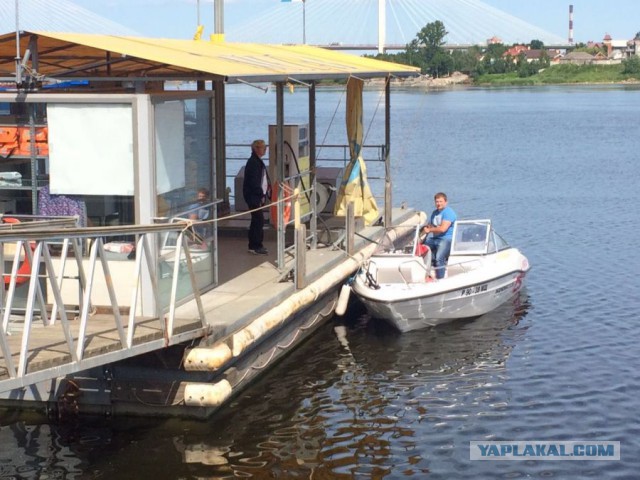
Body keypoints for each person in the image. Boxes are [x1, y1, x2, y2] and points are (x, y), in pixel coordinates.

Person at [242, 139, 271, 255]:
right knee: (258, 220)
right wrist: (260, 193)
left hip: (256, 196)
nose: (265, 150)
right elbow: (254, 182)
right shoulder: (253, 162)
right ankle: (255, 245)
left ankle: (256, 244)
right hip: (254, 196)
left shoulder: (257, 161)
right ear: (256, 149)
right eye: (263, 148)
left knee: (257, 220)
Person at [422, 192, 457, 279]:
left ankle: (440, 279)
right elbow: (430, 225)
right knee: (420, 246)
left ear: (446, 202)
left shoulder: (449, 213)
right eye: (437, 202)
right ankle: (427, 273)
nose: (438, 204)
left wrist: (430, 230)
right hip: (435, 238)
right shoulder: (435, 213)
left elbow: (442, 229)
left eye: (441, 201)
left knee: (439, 258)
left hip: (447, 239)